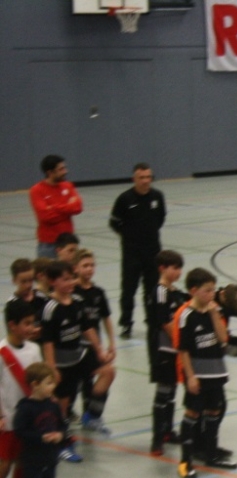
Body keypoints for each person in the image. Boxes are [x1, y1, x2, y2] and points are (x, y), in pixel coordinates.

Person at [40, 261, 115, 460]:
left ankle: (92, 415)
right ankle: (61, 444)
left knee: (108, 371)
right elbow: (47, 342)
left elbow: (87, 328)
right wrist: (52, 368)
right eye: (65, 279)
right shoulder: (50, 308)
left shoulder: (77, 301)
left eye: (71, 278)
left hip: (79, 356)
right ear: (53, 282)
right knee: (62, 406)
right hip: (62, 363)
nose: (70, 283)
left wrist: (99, 350)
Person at [174, 268, 237, 478]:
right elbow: (183, 350)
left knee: (214, 411)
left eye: (213, 290)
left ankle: (211, 454)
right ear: (194, 291)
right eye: (207, 291)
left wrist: (213, 313)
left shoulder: (214, 312)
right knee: (192, 413)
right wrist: (190, 377)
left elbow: (223, 338)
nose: (212, 294)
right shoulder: (186, 316)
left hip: (216, 372)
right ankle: (185, 461)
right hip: (198, 374)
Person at [109, 163, 166, 340]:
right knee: (129, 289)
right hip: (132, 253)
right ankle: (126, 323)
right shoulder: (125, 199)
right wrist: (129, 236)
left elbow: (160, 218)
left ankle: (152, 320)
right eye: (141, 178)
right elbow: (114, 222)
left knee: (152, 288)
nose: (145, 181)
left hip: (153, 252)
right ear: (134, 179)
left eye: (148, 177)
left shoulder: (157, 196)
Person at [14, 362, 69, 478]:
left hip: (49, 455)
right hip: (32, 456)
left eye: (52, 383)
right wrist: (40, 437)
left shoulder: (53, 405)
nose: (52, 387)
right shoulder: (26, 407)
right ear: (35, 385)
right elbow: (20, 431)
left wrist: (60, 435)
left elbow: (62, 425)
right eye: (48, 383)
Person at [0, 300, 43, 478]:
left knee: (23, 463)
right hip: (7, 419)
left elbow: (40, 380)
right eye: (26, 323)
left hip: (28, 420)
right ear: (12, 325)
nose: (31, 327)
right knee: (4, 464)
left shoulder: (34, 349)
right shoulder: (1, 352)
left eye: (32, 322)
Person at [73, 249, 116, 434]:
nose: (89, 269)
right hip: (76, 347)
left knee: (108, 372)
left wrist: (112, 343)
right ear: (75, 268)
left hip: (94, 347)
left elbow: (106, 318)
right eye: (85, 266)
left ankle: (93, 415)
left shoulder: (98, 292)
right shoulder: (72, 291)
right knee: (77, 384)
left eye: (92, 265)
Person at [150, 250, 187, 455]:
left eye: (180, 268)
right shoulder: (160, 292)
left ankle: (167, 431)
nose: (178, 272)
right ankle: (156, 440)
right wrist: (181, 343)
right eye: (174, 268)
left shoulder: (176, 292)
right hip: (164, 349)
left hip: (175, 350)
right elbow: (164, 322)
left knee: (172, 392)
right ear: (162, 268)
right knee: (162, 393)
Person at [28, 155, 82, 259]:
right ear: (50, 172)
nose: (65, 171)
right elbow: (46, 216)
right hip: (48, 245)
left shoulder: (68, 186)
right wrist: (68, 208)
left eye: (65, 168)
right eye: (61, 169)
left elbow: (78, 207)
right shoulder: (36, 190)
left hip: (68, 243)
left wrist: (54, 207)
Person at [8, 258, 47, 339]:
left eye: (31, 280)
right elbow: (12, 335)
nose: (28, 285)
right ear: (14, 281)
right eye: (23, 281)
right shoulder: (12, 305)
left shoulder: (42, 298)